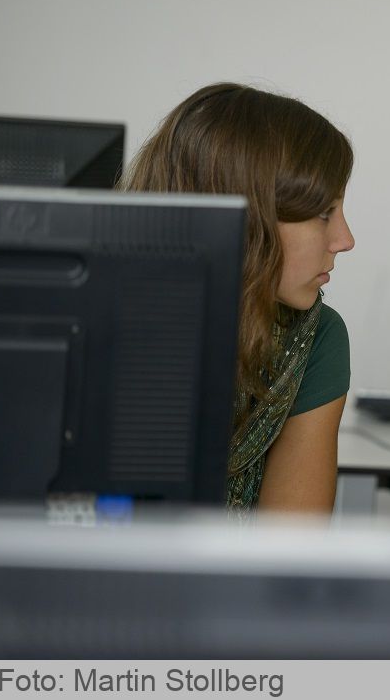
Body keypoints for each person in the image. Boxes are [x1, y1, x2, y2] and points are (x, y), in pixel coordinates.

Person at [119, 82, 355, 514]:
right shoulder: (104, 325)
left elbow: (285, 558)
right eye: (324, 214)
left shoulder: (316, 336)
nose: (345, 239)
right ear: (249, 218)